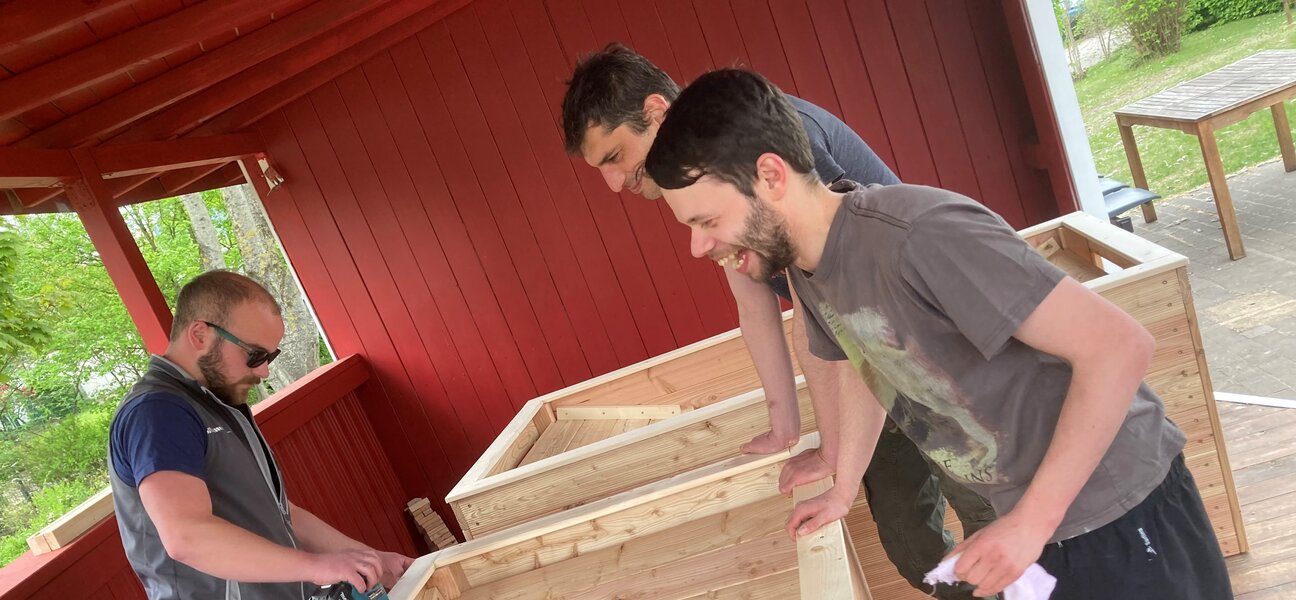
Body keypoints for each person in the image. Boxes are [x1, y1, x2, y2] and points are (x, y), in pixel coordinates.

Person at [643, 67, 1234, 600]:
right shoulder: (812, 272)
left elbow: (1119, 347)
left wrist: (1032, 521)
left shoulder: (919, 234)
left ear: (769, 176)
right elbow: (864, 370)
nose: (700, 247)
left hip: (1118, 509)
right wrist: (843, 487)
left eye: (707, 221)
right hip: (1034, 526)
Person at [561, 44, 996, 600]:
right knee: (913, 547)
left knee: (994, 524)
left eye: (614, 157)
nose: (616, 183)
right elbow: (758, 305)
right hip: (870, 360)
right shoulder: (695, 174)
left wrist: (834, 455)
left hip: (933, 351)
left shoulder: (757, 146)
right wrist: (788, 429)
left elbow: (822, 325)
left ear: (654, 111)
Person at [108, 271, 413, 600]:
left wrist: (373, 560)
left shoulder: (220, 402)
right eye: (254, 355)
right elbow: (187, 536)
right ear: (199, 335)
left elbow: (284, 515)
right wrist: (317, 567)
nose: (263, 370)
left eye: (270, 356)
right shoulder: (159, 412)